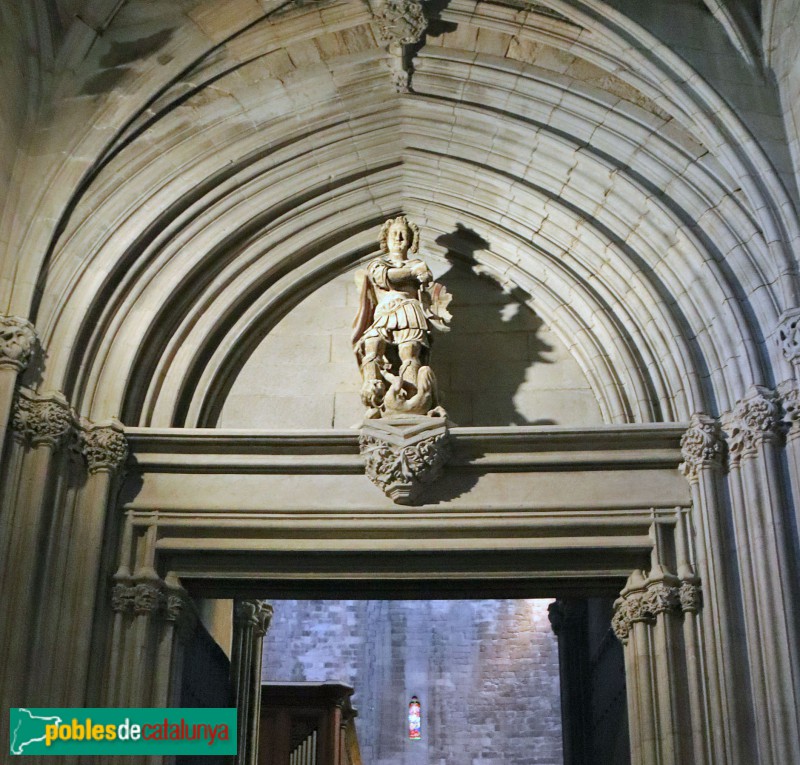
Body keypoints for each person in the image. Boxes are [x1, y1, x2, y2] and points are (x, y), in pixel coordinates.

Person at [352, 216, 450, 418]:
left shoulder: (417, 263)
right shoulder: (378, 264)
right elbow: (386, 278)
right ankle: (374, 398)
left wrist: (419, 272)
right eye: (394, 233)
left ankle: (413, 396)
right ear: (385, 240)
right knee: (372, 346)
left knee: (410, 351)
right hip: (385, 310)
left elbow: (426, 278)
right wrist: (413, 273)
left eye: (403, 234)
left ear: (411, 241)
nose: (398, 237)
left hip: (410, 310)